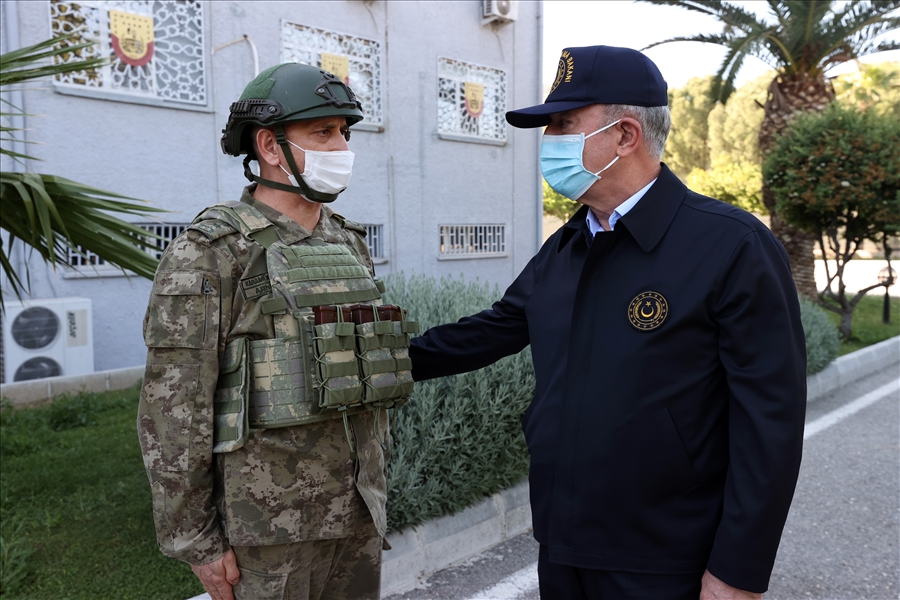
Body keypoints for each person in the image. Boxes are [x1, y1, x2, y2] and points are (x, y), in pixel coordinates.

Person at [409, 45, 806, 599]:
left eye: (564, 124)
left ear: (625, 135)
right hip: (564, 542)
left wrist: (738, 570)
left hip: (667, 556)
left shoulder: (730, 245)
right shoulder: (570, 244)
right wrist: (382, 362)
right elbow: (495, 328)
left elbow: (771, 423)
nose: (549, 142)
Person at [137, 63, 416, 600]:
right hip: (267, 532)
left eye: (344, 132)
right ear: (269, 145)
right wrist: (194, 537)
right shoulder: (212, 252)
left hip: (357, 514)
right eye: (323, 132)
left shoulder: (347, 242)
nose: (342, 147)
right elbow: (174, 408)